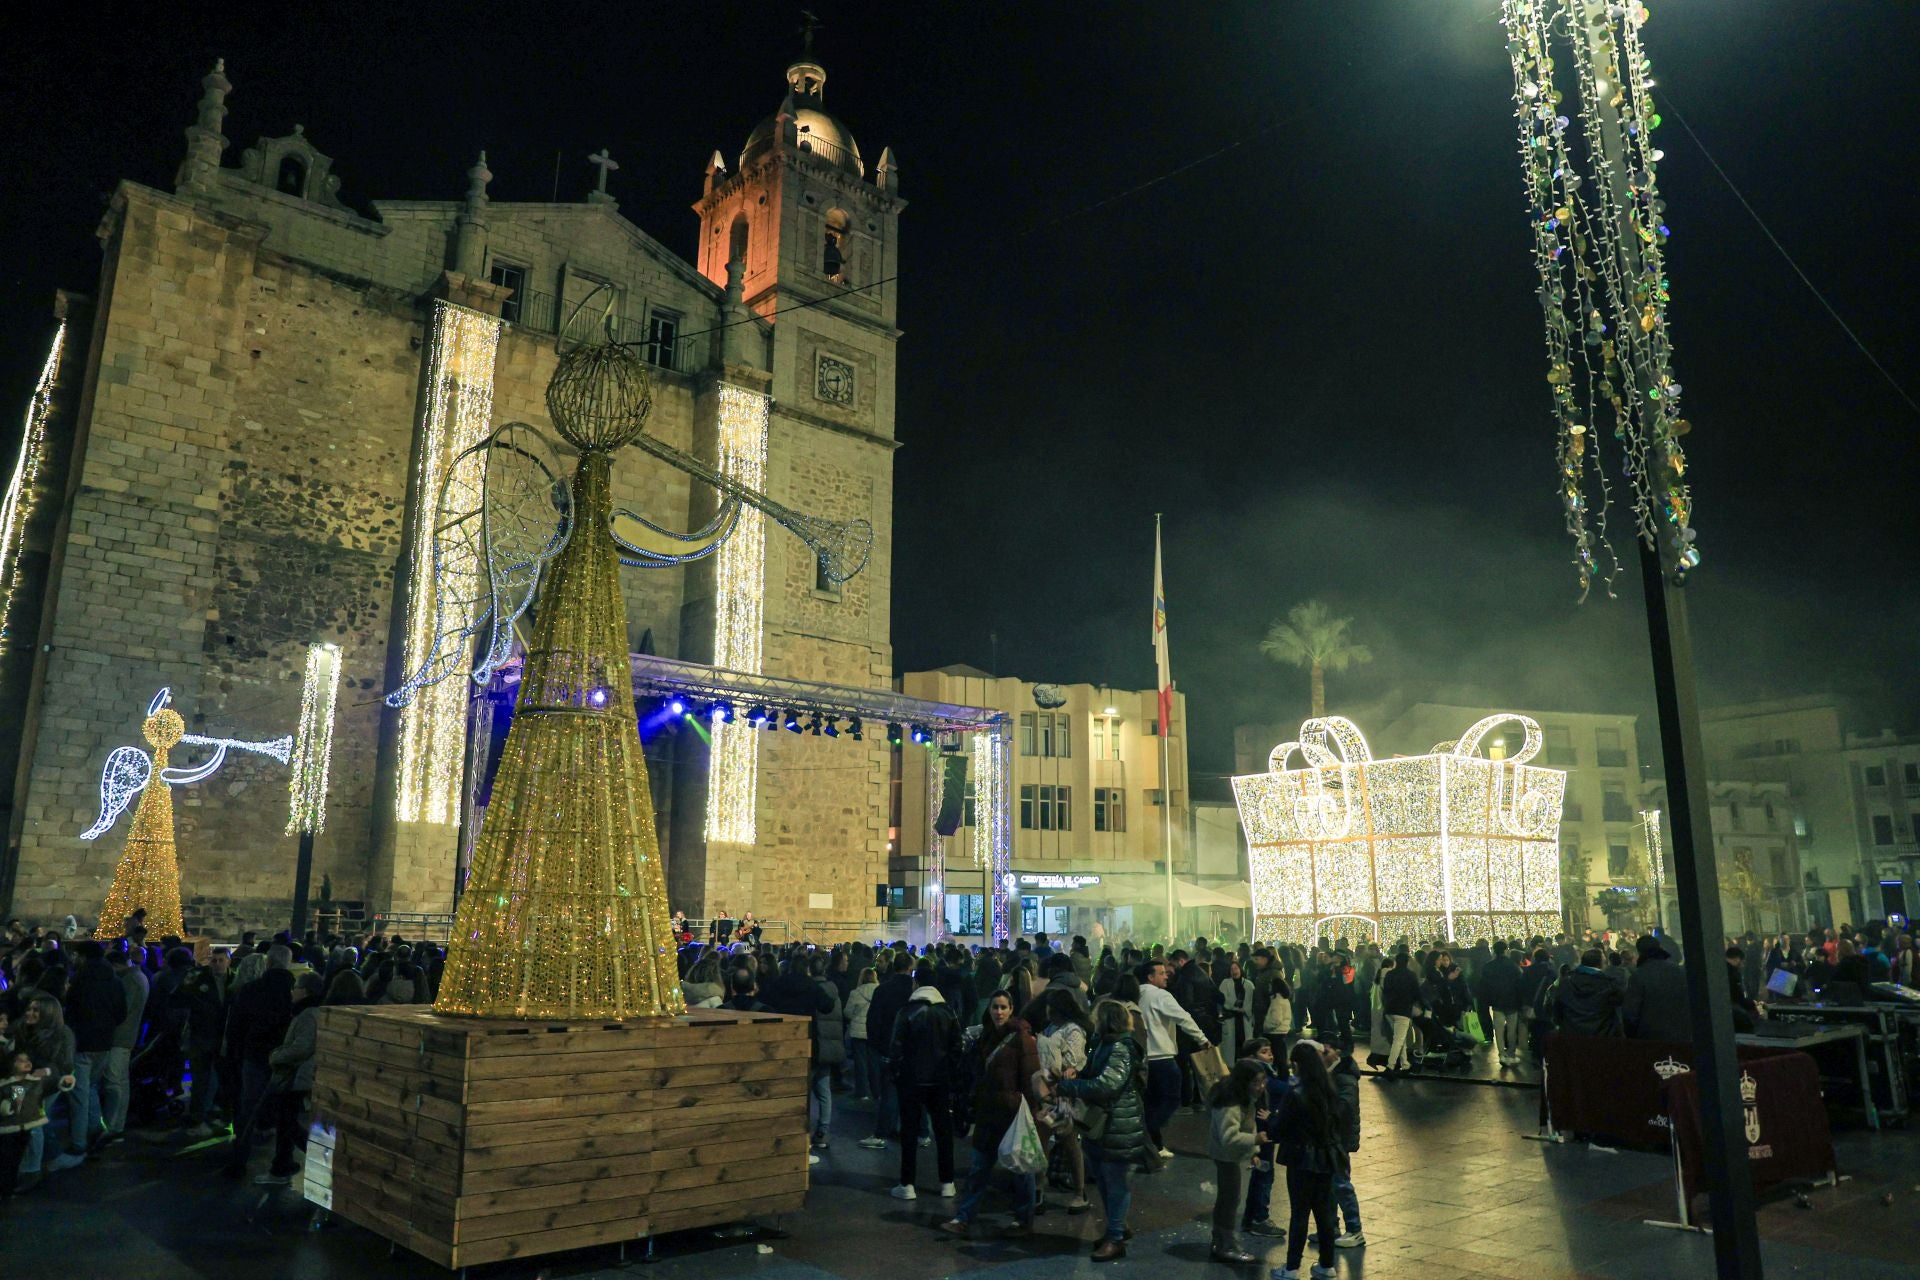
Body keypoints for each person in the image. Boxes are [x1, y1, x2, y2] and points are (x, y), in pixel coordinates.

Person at [939, 989, 1043, 1238]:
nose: (998, 1012)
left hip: (1011, 1113)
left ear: (1011, 1010)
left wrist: (1027, 1109)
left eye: (1003, 1007)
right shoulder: (985, 1036)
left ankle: (1023, 1220)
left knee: (1020, 1169)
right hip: (988, 1112)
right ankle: (964, 1217)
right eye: (995, 1006)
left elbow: (1031, 1078)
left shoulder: (1022, 1039)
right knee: (979, 1168)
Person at [1057, 998, 1146, 1260]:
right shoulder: (1102, 1045)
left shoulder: (1119, 1048)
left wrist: (1070, 1086)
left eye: (1097, 1017)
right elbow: (1094, 1076)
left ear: (1107, 1020)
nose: (1093, 1021)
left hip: (1118, 1124)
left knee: (1115, 1181)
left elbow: (1107, 1085)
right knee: (1105, 1180)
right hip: (1103, 1124)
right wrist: (1078, 1075)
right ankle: (1117, 1227)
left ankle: (1115, 1238)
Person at [1269, 1041, 1345, 1280]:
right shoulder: (1329, 1089)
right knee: (1324, 1212)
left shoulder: (1296, 1093)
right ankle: (1327, 1264)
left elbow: (1280, 1129)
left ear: (1297, 1065)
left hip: (1301, 1158)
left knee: (1300, 1212)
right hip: (1326, 1157)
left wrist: (1272, 1119)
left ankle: (1292, 1267)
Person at [889, 964, 960, 1201]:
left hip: (911, 1079)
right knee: (943, 1132)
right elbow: (956, 1047)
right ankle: (947, 1182)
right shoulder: (947, 1012)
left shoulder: (906, 1011)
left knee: (909, 1132)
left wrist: (896, 1073)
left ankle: (907, 1184)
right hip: (940, 1080)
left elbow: (896, 1047)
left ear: (916, 983)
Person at [254, 971, 327, 1184]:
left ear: (305, 991)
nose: (292, 992)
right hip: (299, 1075)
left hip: (297, 1076)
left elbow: (301, 1047)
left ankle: (317, 1160)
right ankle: (282, 1166)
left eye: (295, 988)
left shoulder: (307, 1015)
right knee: (287, 1122)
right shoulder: (311, 1012)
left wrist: (276, 1056)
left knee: (287, 1122)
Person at [1137, 958, 1205, 1158]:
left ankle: (1155, 1145)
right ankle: (1148, 1133)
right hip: (1163, 1056)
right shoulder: (1161, 996)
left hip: (1143, 1058)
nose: (1166, 976)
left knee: (1150, 1102)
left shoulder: (1135, 994)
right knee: (1172, 1098)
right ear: (1150, 977)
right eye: (1161, 973)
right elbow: (1183, 1017)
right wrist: (1202, 1039)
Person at [1034, 987, 1092, 1214]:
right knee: (1043, 1141)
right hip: (1047, 1094)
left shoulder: (1073, 1031)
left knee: (1068, 1141)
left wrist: (1053, 1076)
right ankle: (1039, 1189)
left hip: (1062, 1096)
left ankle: (1079, 1192)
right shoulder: (1051, 1028)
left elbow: (1072, 1065)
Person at [1206, 1058, 1269, 1264]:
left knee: (1228, 1198)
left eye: (1263, 1081)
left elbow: (1247, 1125)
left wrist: (1253, 1152)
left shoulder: (1243, 1097)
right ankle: (1226, 1245)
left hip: (1228, 1155)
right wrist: (1255, 1140)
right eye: (1256, 1082)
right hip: (1225, 1156)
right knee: (1230, 1199)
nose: (1261, 1087)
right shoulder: (1230, 1103)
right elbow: (1229, 1137)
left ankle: (1221, 1241)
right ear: (1244, 1082)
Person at [1317, 1040, 1364, 1248]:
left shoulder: (1344, 1077)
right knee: (1329, 1184)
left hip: (1339, 1139)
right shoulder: (1332, 1073)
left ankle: (1355, 1229)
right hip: (1333, 1137)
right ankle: (1331, 1226)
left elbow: (1345, 1107)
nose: (1322, 1055)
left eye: (1325, 1051)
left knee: (1341, 1183)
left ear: (1336, 1052)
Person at [101, 940, 148, 1143]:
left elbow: (122, 1010)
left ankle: (112, 1126)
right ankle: (116, 1124)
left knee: (114, 1082)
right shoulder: (138, 977)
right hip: (126, 1036)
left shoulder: (130, 980)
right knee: (120, 1080)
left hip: (121, 1036)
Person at [0, 1046, 61, 1199]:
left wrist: (63, 1080)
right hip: (10, 1127)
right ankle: (7, 1188)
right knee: (8, 1158)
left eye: (27, 1060)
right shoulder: (8, 1085)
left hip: (26, 1124)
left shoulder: (34, 1082)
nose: (26, 1063)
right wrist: (5, 1106)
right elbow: (13, 1105)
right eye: (21, 1061)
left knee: (16, 1157)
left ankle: (9, 1188)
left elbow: (53, 1083)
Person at [1624, 935, 1688, 1040]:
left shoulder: (1638, 976)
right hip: (1681, 1035)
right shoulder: (1679, 971)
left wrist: (1632, 1037)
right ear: (1660, 948)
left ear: (1639, 952)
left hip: (1651, 1037)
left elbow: (1631, 1013)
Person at [1555, 949, 1625, 1037]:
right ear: (1600, 964)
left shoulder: (1566, 981)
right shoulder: (1608, 984)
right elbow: (1620, 1001)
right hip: (1602, 1036)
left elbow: (1557, 1008)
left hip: (1571, 1035)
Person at [1477, 940, 1524, 1068]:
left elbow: (1484, 986)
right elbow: (1519, 984)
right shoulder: (1512, 965)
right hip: (1512, 1002)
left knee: (1498, 1030)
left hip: (1496, 1003)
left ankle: (1502, 1055)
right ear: (1505, 950)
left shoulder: (1488, 966)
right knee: (1511, 1030)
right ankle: (1511, 1054)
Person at [1379, 953, 1420, 1075]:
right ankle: (1390, 1066)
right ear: (1407, 962)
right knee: (1399, 1039)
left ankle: (1405, 1064)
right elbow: (1416, 993)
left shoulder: (1390, 974)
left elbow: (1385, 991)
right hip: (1403, 1010)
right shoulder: (1411, 975)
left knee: (1400, 1039)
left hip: (1389, 1010)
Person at [844, 966, 879, 1100]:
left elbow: (847, 1012)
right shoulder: (879, 991)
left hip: (858, 1033)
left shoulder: (855, 993)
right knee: (873, 1063)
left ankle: (862, 1092)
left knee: (861, 1064)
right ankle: (876, 1091)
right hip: (873, 1031)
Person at [1218, 958, 1255, 1063]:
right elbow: (1222, 999)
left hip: (1244, 1018)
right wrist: (1233, 1007)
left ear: (1240, 969)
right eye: (1231, 969)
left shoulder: (1249, 984)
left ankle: (1246, 1064)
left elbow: (1252, 1002)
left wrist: (1244, 1010)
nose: (1234, 971)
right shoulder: (1225, 983)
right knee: (1231, 1045)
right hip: (1230, 1018)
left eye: (1236, 968)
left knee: (1245, 1043)